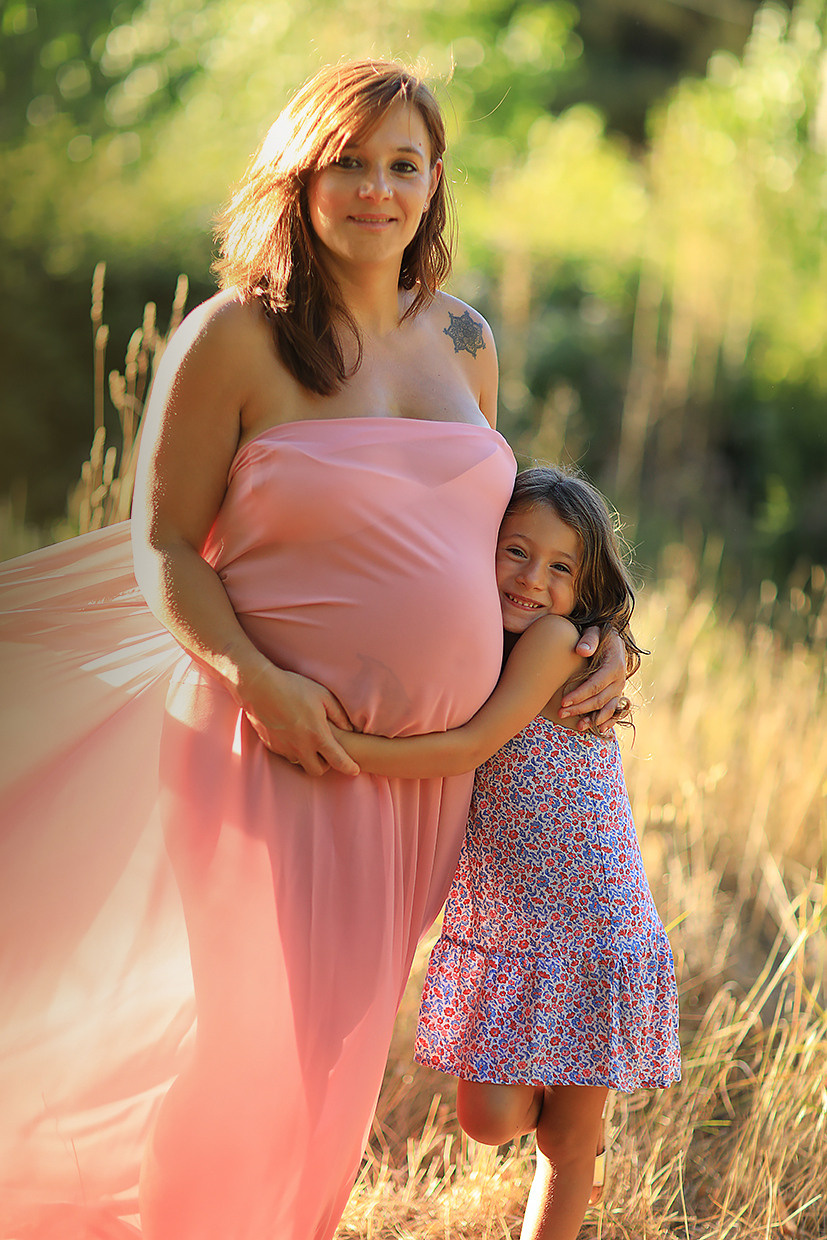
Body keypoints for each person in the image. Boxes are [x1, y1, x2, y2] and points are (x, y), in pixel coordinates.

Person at [0, 62, 627, 1240]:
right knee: (255, 1038)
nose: (375, 190)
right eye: (350, 161)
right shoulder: (232, 337)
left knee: (331, 1052)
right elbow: (165, 548)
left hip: (426, 780)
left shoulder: (465, 339)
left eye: (403, 165)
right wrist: (258, 684)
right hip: (268, 746)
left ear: (434, 183)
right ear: (303, 172)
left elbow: (494, 541)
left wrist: (597, 641)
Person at [331, 465, 682, 1240]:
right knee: (487, 1120)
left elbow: (469, 746)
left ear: (586, 586)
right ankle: (578, 1147)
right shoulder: (475, 638)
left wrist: (340, 749)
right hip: (511, 924)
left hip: (594, 916)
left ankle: (573, 1155)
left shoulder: (559, 641)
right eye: (514, 552)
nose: (531, 579)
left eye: (560, 568)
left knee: (560, 1137)